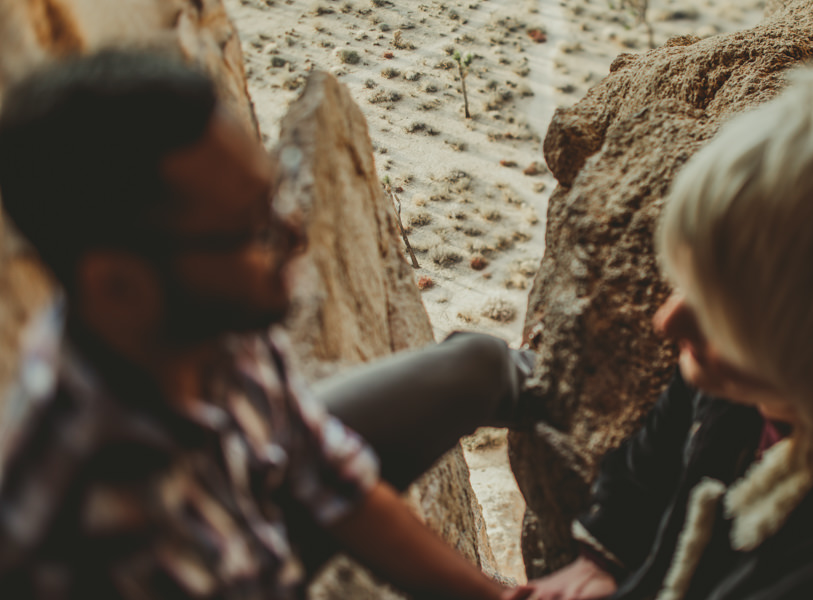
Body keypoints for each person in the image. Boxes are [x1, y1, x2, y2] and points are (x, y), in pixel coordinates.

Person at [0, 49, 534, 600]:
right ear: (117, 284)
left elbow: (332, 480)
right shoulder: (96, 525)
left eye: (275, 193)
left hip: (242, 506)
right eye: (251, 230)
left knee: (478, 367)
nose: (293, 234)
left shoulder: (197, 316)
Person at [522, 59, 813, 600]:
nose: (667, 320)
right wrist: (605, 553)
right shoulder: (743, 386)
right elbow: (655, 452)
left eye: (717, 312)